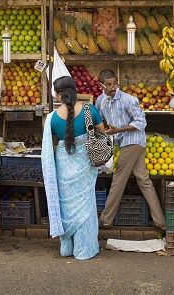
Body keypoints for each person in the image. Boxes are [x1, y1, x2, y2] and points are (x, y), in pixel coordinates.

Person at [41, 76, 104, 260]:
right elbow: (102, 132)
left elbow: (52, 145)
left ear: (59, 95)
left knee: (66, 206)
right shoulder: (89, 110)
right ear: (74, 91)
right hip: (85, 165)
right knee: (86, 206)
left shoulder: (51, 118)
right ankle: (84, 249)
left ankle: (67, 248)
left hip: (63, 166)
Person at [95, 69, 166, 230]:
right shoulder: (100, 101)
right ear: (102, 85)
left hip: (133, 142)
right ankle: (161, 222)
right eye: (108, 85)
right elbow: (99, 120)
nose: (112, 87)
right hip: (124, 143)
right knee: (143, 180)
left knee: (118, 180)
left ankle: (106, 219)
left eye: (114, 83)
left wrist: (118, 130)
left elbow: (141, 122)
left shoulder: (128, 100)